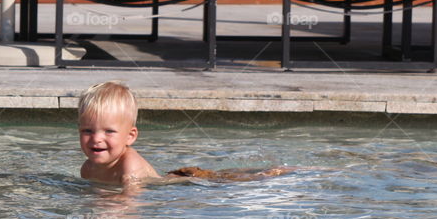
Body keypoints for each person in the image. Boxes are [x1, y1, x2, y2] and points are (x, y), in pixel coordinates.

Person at [77, 81, 292, 187]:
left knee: (239, 180)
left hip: (187, 186)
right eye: (87, 130)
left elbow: (131, 208)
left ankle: (278, 171)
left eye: (109, 131)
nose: (96, 138)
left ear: (130, 137)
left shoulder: (129, 166)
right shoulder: (87, 168)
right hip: (174, 177)